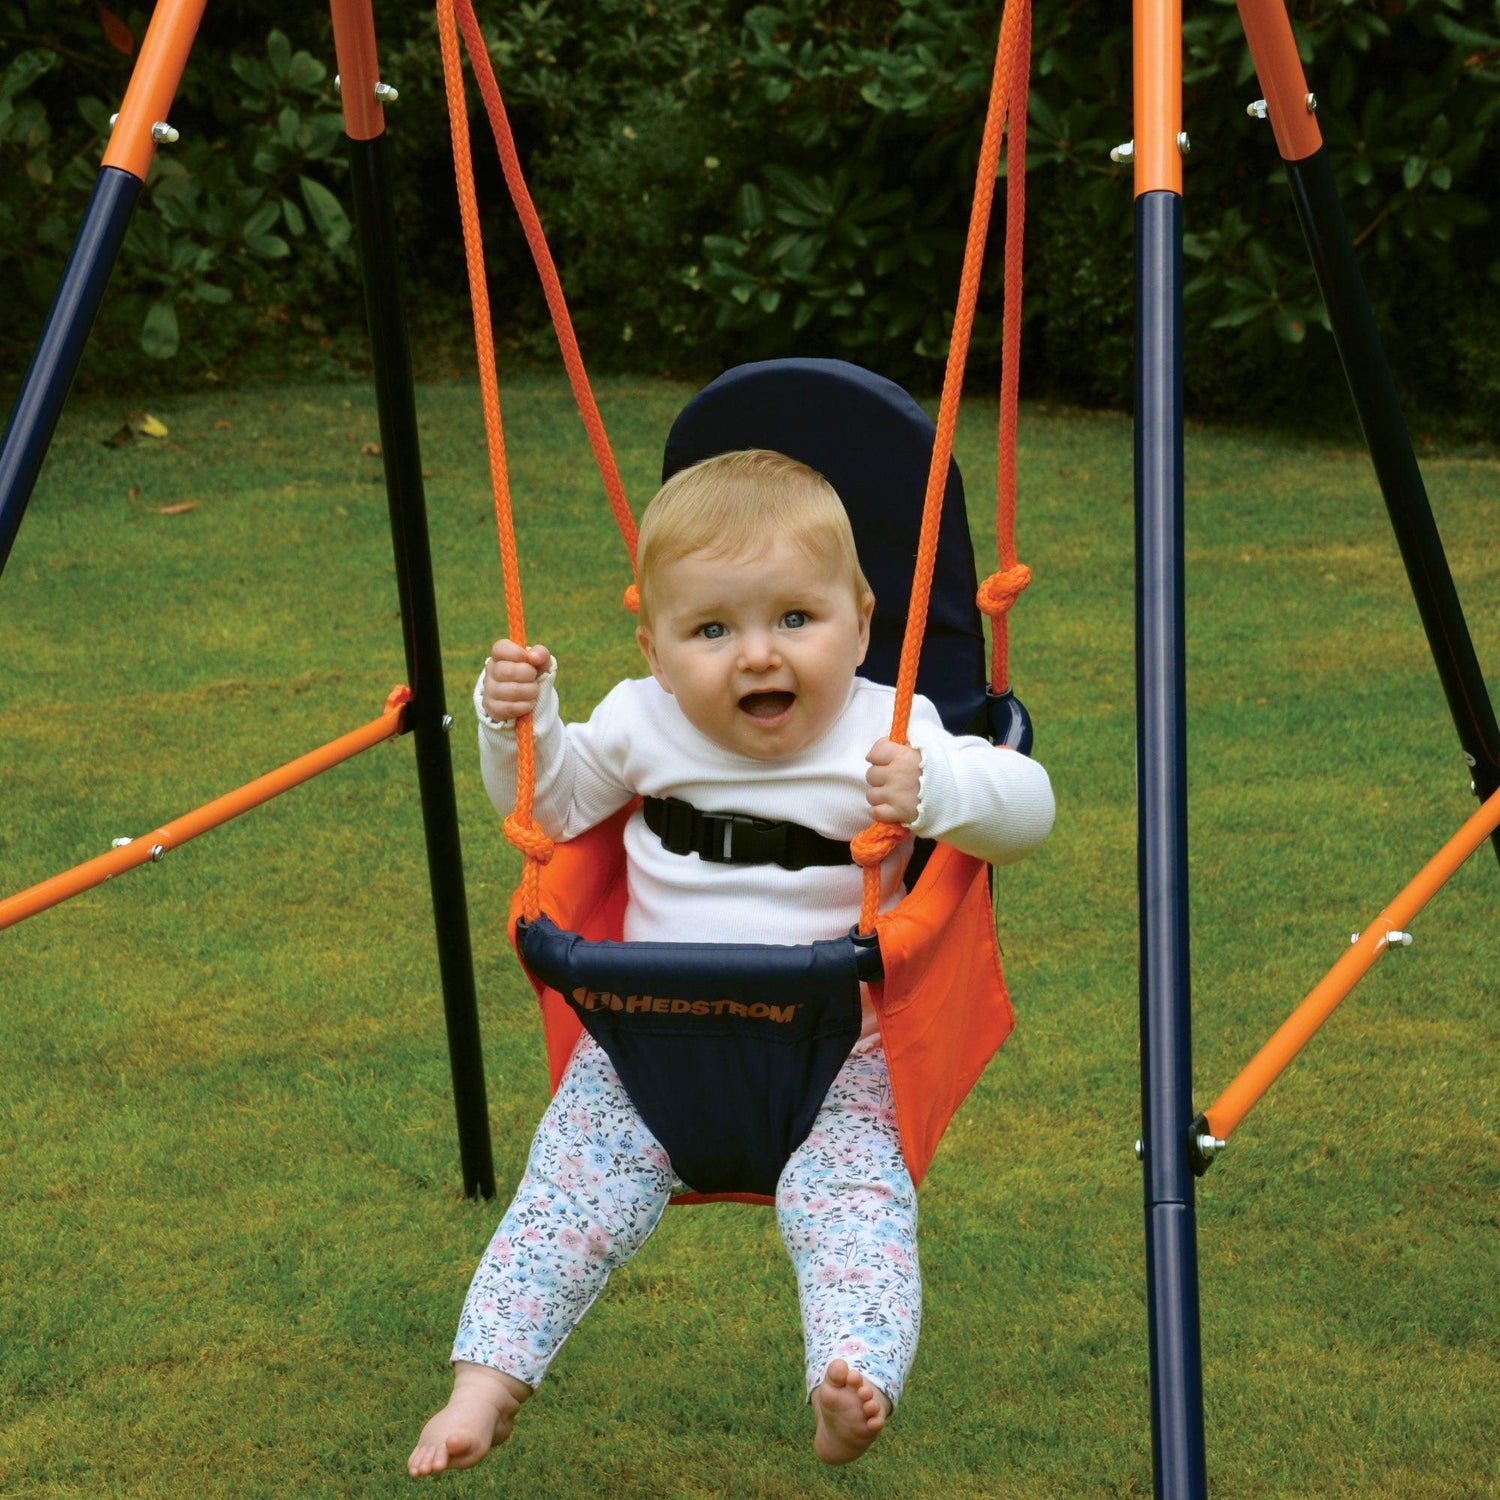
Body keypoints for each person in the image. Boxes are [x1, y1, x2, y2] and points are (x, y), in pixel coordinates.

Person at [408, 449, 1054, 1476]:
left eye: (796, 618)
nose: (757, 655)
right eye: (711, 630)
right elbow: (552, 807)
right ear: (656, 651)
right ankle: (483, 1384)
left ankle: (852, 1380)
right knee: (563, 1198)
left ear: (862, 624)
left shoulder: (892, 731)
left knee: (855, 1214)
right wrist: (518, 725)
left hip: (838, 1062)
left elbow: (1029, 811)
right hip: (648, 1053)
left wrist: (937, 795)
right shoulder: (640, 720)